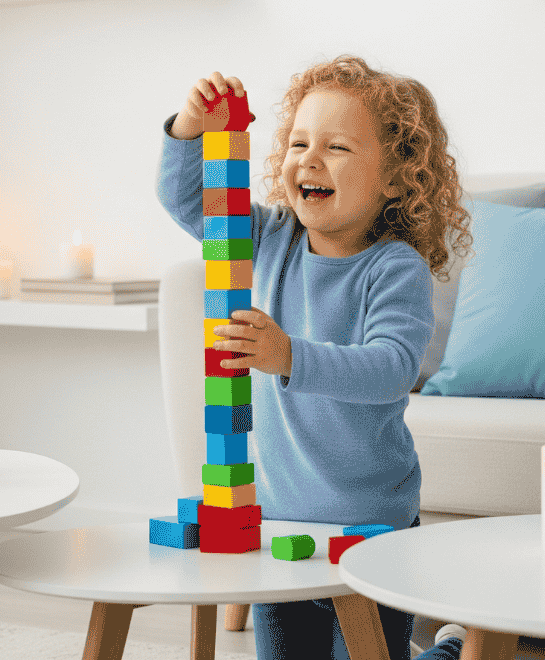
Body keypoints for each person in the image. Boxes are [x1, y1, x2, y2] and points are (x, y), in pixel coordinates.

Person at [156, 55, 471, 660]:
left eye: (337, 147)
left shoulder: (394, 267)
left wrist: (289, 356)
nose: (309, 159)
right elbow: (189, 200)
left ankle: (452, 648)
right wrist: (189, 129)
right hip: (279, 524)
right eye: (299, 143)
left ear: (396, 179)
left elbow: (391, 368)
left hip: (373, 528)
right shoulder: (269, 237)